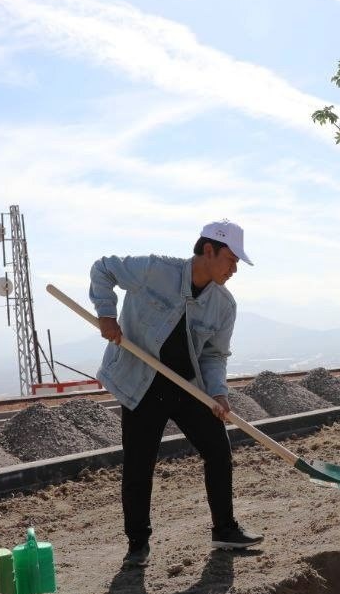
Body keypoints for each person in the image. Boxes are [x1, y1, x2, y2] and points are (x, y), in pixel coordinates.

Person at [90, 220, 264, 568]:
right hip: (142, 383)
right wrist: (106, 314)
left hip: (187, 385)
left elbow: (214, 355)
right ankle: (137, 544)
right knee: (139, 464)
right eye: (231, 260)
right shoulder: (156, 270)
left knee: (218, 450)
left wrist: (218, 393)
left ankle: (225, 529)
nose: (234, 270)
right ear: (209, 250)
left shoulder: (224, 305)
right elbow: (103, 268)